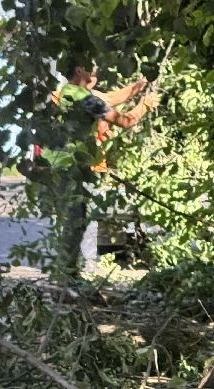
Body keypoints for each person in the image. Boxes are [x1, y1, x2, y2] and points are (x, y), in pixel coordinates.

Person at [51, 58, 158, 279]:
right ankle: (66, 276)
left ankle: (67, 273)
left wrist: (141, 84)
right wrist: (145, 105)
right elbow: (124, 121)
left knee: (73, 222)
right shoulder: (84, 98)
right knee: (75, 223)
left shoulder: (66, 92)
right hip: (72, 167)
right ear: (79, 69)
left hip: (62, 166)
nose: (95, 71)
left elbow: (111, 98)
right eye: (90, 66)